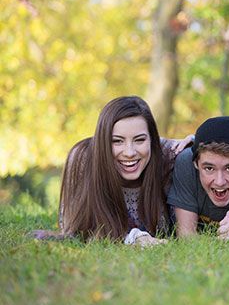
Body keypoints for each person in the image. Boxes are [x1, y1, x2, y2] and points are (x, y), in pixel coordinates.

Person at [55, 96, 189, 245]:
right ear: (103, 140)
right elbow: (72, 228)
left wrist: (198, 144)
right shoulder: (83, 158)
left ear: (152, 139)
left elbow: (210, 154)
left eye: (139, 140)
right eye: (117, 141)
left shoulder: (166, 154)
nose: (129, 152)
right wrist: (133, 239)